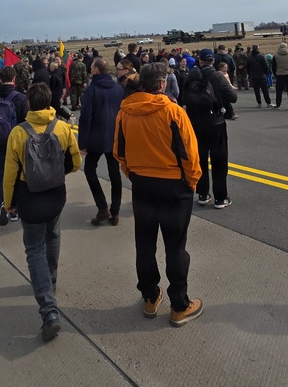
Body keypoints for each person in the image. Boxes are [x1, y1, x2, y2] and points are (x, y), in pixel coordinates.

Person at [115, 62, 204, 327]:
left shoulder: (125, 112)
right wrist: (191, 183)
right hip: (174, 186)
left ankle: (150, 296)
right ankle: (179, 304)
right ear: (162, 84)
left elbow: (119, 151)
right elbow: (190, 155)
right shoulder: (174, 112)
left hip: (142, 184)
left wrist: (133, 172)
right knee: (175, 246)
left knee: (145, 243)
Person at [2, 83, 81, 342]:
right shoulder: (62, 127)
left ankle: (48, 310)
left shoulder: (18, 133)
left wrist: (8, 201)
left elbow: (10, 172)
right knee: (54, 236)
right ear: (50, 103)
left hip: (30, 197)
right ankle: (51, 280)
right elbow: (76, 162)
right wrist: (57, 174)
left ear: (29, 104)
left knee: (34, 248)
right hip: (56, 194)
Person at [183, 49, 236, 209]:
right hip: (216, 123)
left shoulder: (191, 75)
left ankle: (202, 194)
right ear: (213, 61)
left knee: (199, 160)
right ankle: (221, 198)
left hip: (195, 124)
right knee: (219, 161)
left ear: (199, 61)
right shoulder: (218, 76)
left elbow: (183, 98)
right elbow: (233, 97)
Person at [78, 58, 124, 226]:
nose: (90, 69)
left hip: (96, 138)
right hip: (114, 137)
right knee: (115, 174)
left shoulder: (92, 90)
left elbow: (85, 118)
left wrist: (82, 142)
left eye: (91, 67)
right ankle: (116, 211)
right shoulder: (119, 88)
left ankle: (103, 207)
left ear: (96, 71)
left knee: (90, 170)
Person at [0, 66, 29, 222]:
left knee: (0, 173)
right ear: (14, 79)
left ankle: (2, 203)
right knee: (17, 173)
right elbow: (26, 121)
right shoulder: (21, 98)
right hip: (17, 142)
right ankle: (14, 208)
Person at [271, 42, 288, 110]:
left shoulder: (276, 56)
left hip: (280, 74)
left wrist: (276, 74)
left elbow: (273, 67)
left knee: (279, 91)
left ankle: (278, 105)